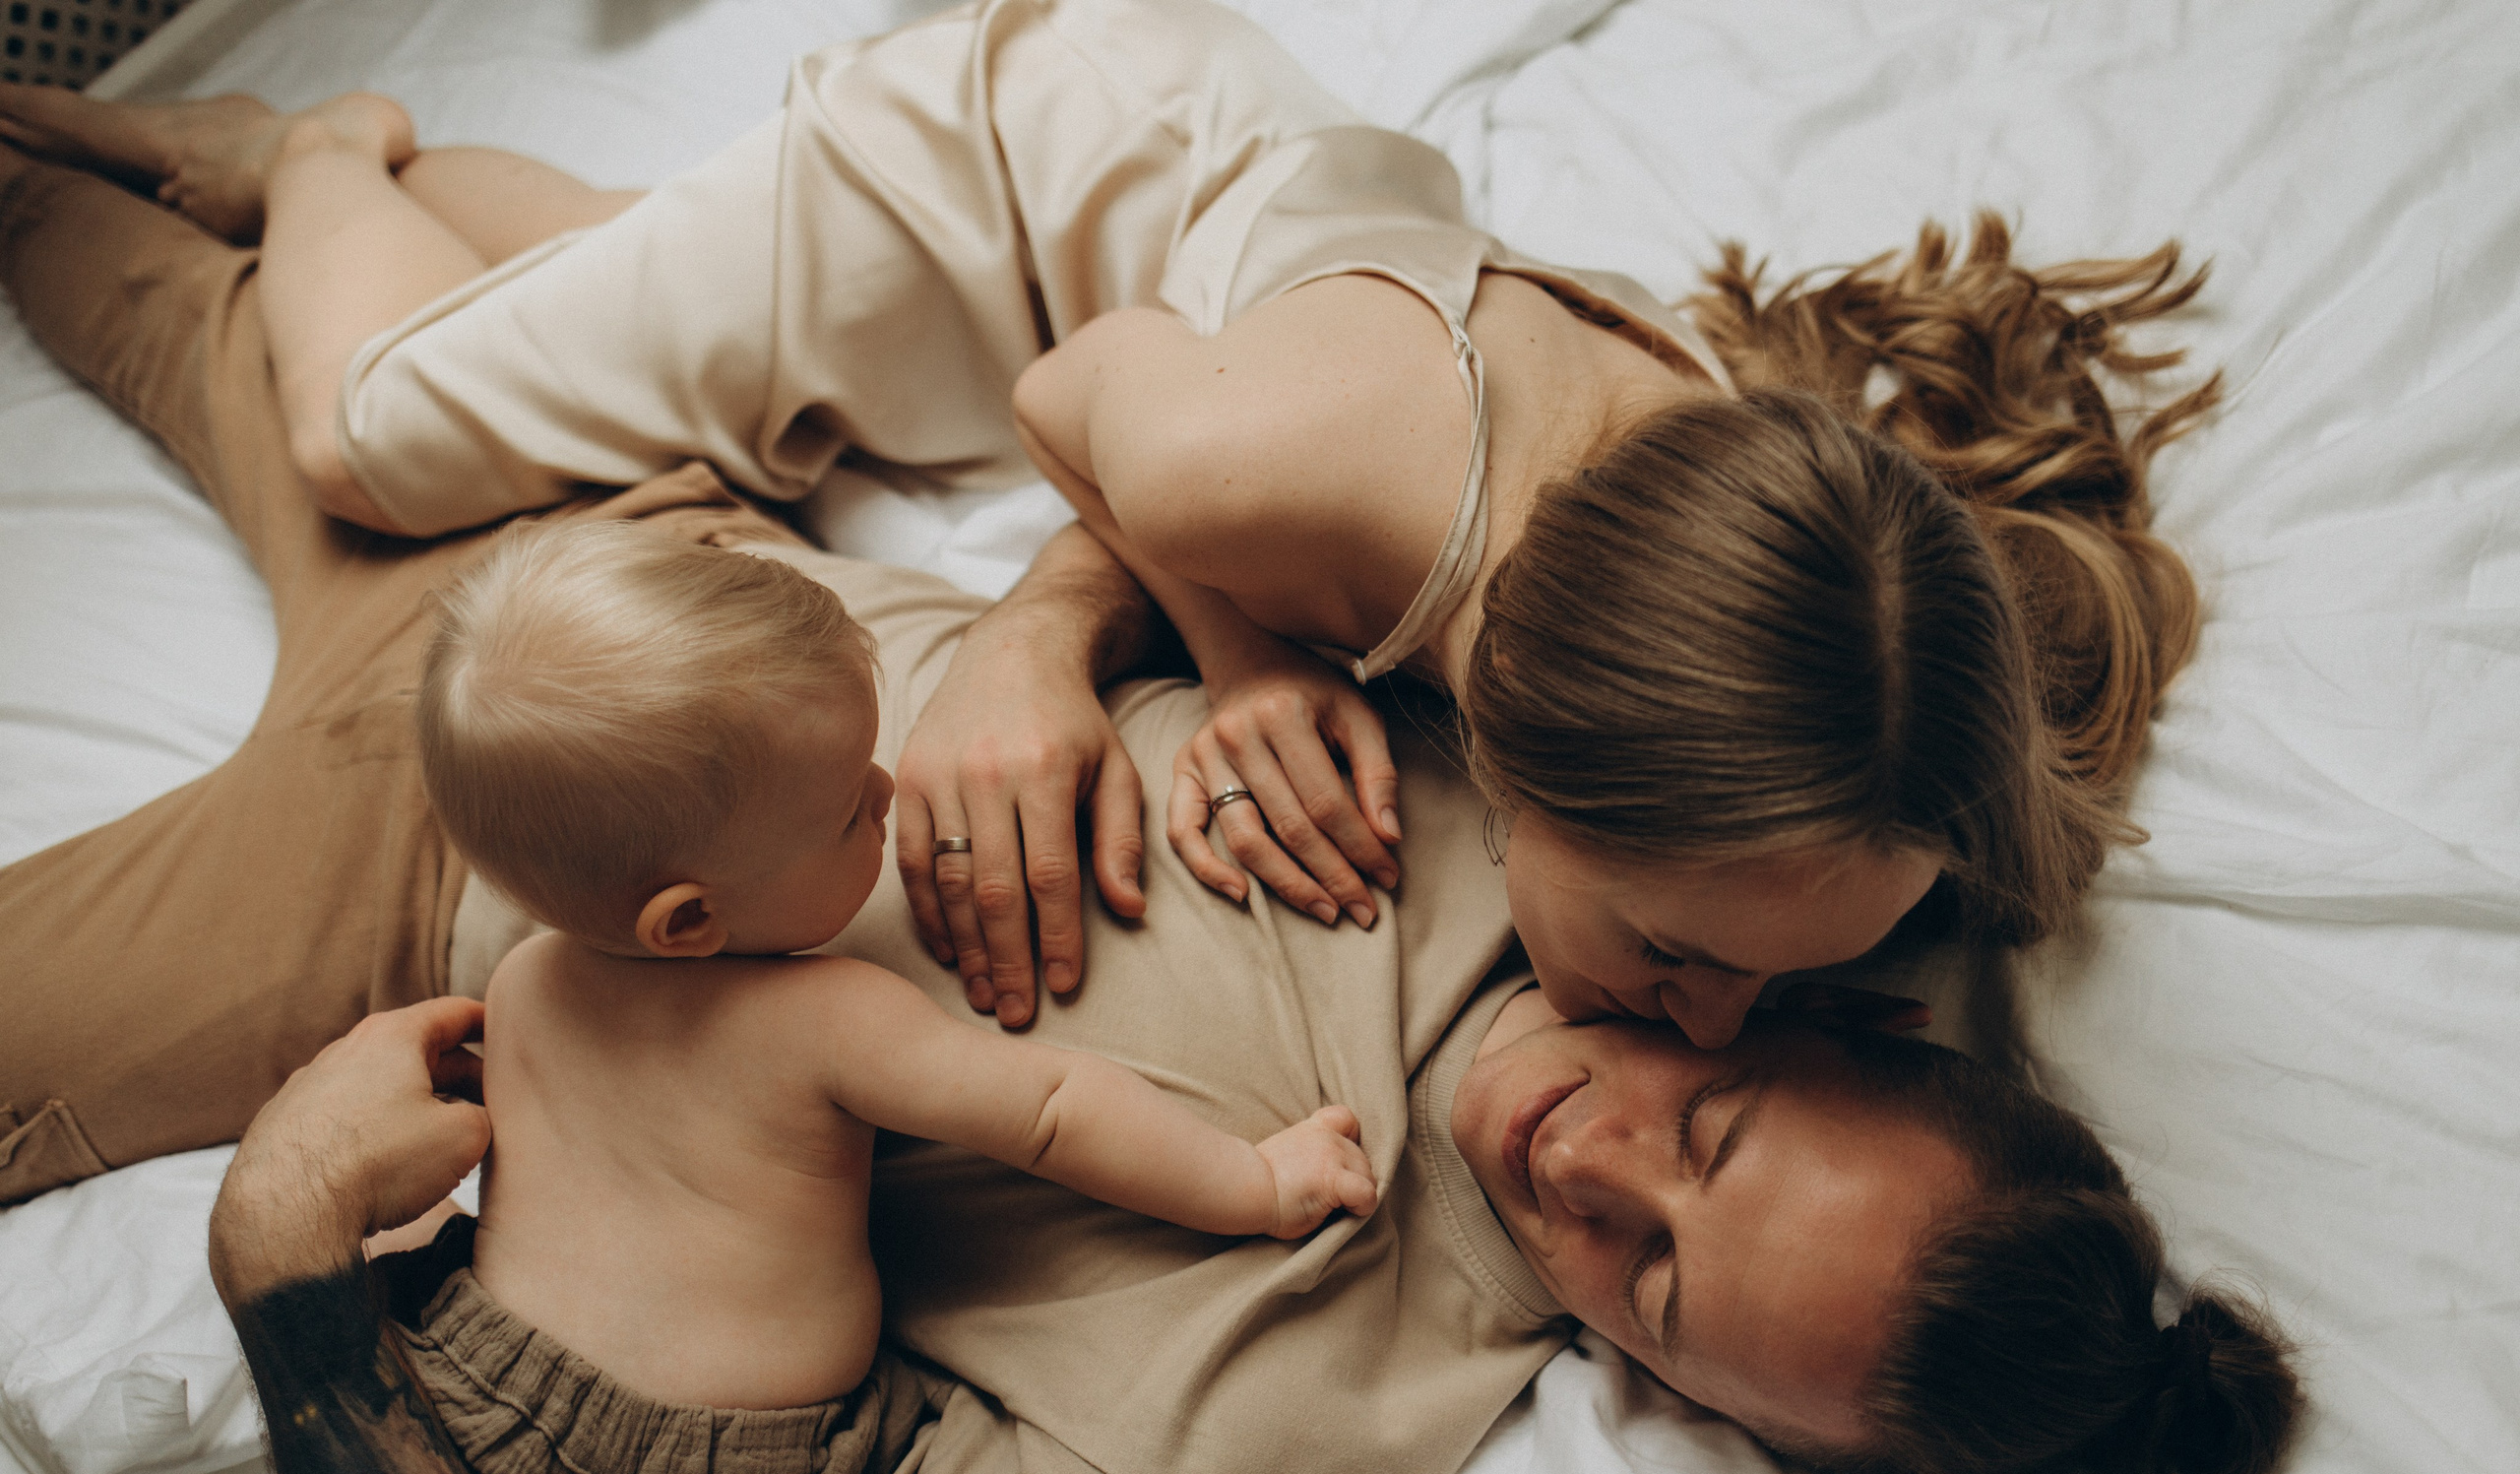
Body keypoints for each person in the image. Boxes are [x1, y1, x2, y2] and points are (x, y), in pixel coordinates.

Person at [0, 135, 2299, 1474]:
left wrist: (287, 1267)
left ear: (1711, 1415)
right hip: (660, 569)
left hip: (405, 886)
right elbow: (1381, 435)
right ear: (1844, 1013)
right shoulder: (1686, 818)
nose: (1588, 1159)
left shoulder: (1265, 1430)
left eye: (1658, 1287)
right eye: (1707, 1124)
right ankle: (296, 162)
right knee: (162, 226)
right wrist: (1045, 630)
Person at [0, 0, 2216, 1049]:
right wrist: (1229, 649)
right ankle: (315, 148)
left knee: (647, 291)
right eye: (1674, 952)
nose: (1700, 1020)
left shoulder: (1793, 575)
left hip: (1251, 254)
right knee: (378, 437)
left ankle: (574, 247)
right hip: (1010, 188)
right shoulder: (1271, 476)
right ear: (1521, 749)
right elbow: (1078, 392)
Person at [394, 519, 1376, 1474]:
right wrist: (1256, 1182)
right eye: (846, 813)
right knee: (982, 1456)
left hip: (459, 1407)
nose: (888, 785)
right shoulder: (824, 1017)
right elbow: (1052, 1112)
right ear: (689, 920)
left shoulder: (521, 985)